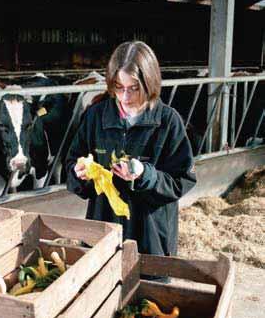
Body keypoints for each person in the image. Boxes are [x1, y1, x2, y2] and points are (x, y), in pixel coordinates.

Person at [66, 41, 197, 256]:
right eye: (119, 87)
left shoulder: (168, 121)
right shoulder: (95, 116)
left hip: (151, 237)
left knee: (149, 288)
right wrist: (79, 173)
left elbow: (182, 181)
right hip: (103, 231)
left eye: (134, 88)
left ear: (149, 83)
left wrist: (146, 175)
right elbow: (71, 163)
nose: (125, 97)